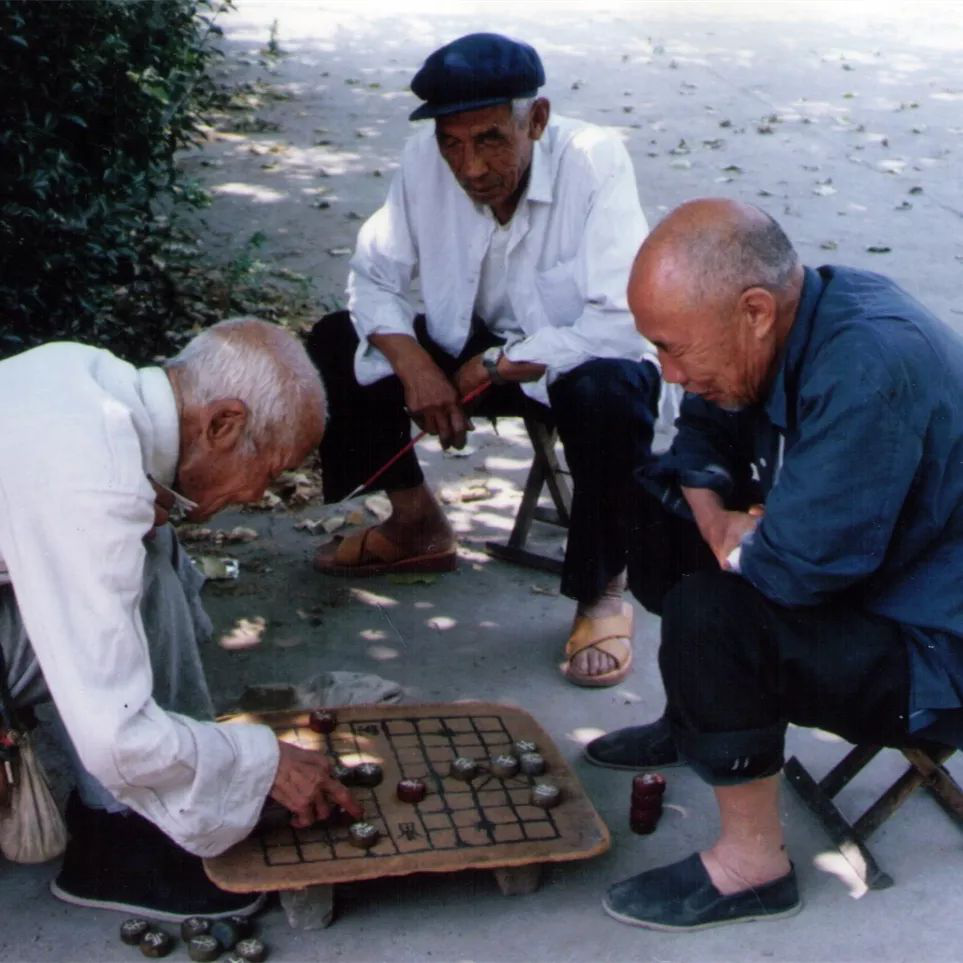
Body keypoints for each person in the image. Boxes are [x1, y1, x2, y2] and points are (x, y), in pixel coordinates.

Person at [589, 198, 963, 931]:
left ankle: (752, 867)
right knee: (655, 512)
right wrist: (720, 522)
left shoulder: (868, 365)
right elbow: (698, 439)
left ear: (755, 311)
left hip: (934, 649)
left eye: (674, 348)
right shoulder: (776, 323)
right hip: (866, 577)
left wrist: (750, 538)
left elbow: (793, 572)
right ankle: (694, 718)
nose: (669, 373)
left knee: (714, 617)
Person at [307, 32, 675, 687]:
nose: (470, 167)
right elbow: (372, 278)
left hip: (568, 354)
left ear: (536, 119)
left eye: (489, 140)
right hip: (465, 342)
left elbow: (620, 320)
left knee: (613, 391)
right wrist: (415, 365)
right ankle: (416, 522)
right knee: (336, 342)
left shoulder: (592, 160)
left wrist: (500, 364)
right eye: (452, 143)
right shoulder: (422, 162)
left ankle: (601, 591)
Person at [0, 319, 360, 920]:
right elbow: (115, 734)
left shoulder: (84, 373)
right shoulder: (97, 478)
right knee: (139, 578)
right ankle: (120, 842)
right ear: (223, 423)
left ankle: (149, 806)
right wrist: (259, 763)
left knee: (148, 551)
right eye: (270, 471)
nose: (258, 496)